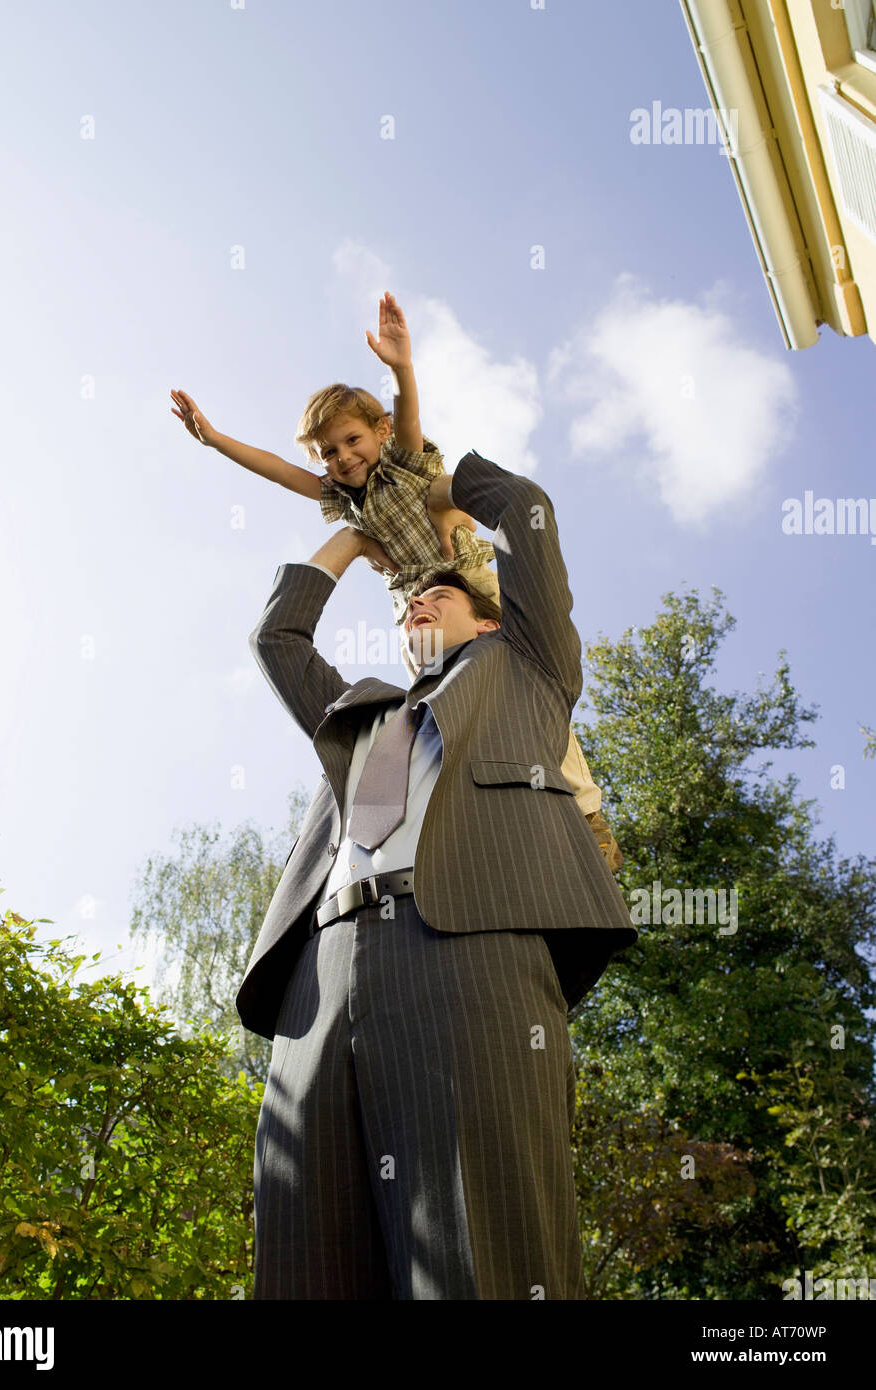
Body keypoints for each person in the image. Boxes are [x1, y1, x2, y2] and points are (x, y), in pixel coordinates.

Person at [233, 446, 638, 1299]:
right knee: (302, 1253)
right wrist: (349, 537)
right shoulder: (357, 715)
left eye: (440, 593)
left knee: (480, 1245)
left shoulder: (525, 669)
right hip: (321, 977)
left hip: (465, 944)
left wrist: (442, 492)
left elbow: (525, 511)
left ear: (488, 620)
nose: (417, 599)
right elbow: (277, 636)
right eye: (410, 598)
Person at [170, 291, 622, 869]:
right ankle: (460, 806)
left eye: (352, 440)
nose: (342, 457)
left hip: (466, 575)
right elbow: (281, 472)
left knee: (519, 692)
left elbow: (408, 415)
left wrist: (401, 367)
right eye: (329, 452)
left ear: (378, 433)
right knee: (435, 705)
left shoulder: (402, 459)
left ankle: (586, 813)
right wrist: (216, 440)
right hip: (416, 604)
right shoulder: (340, 498)